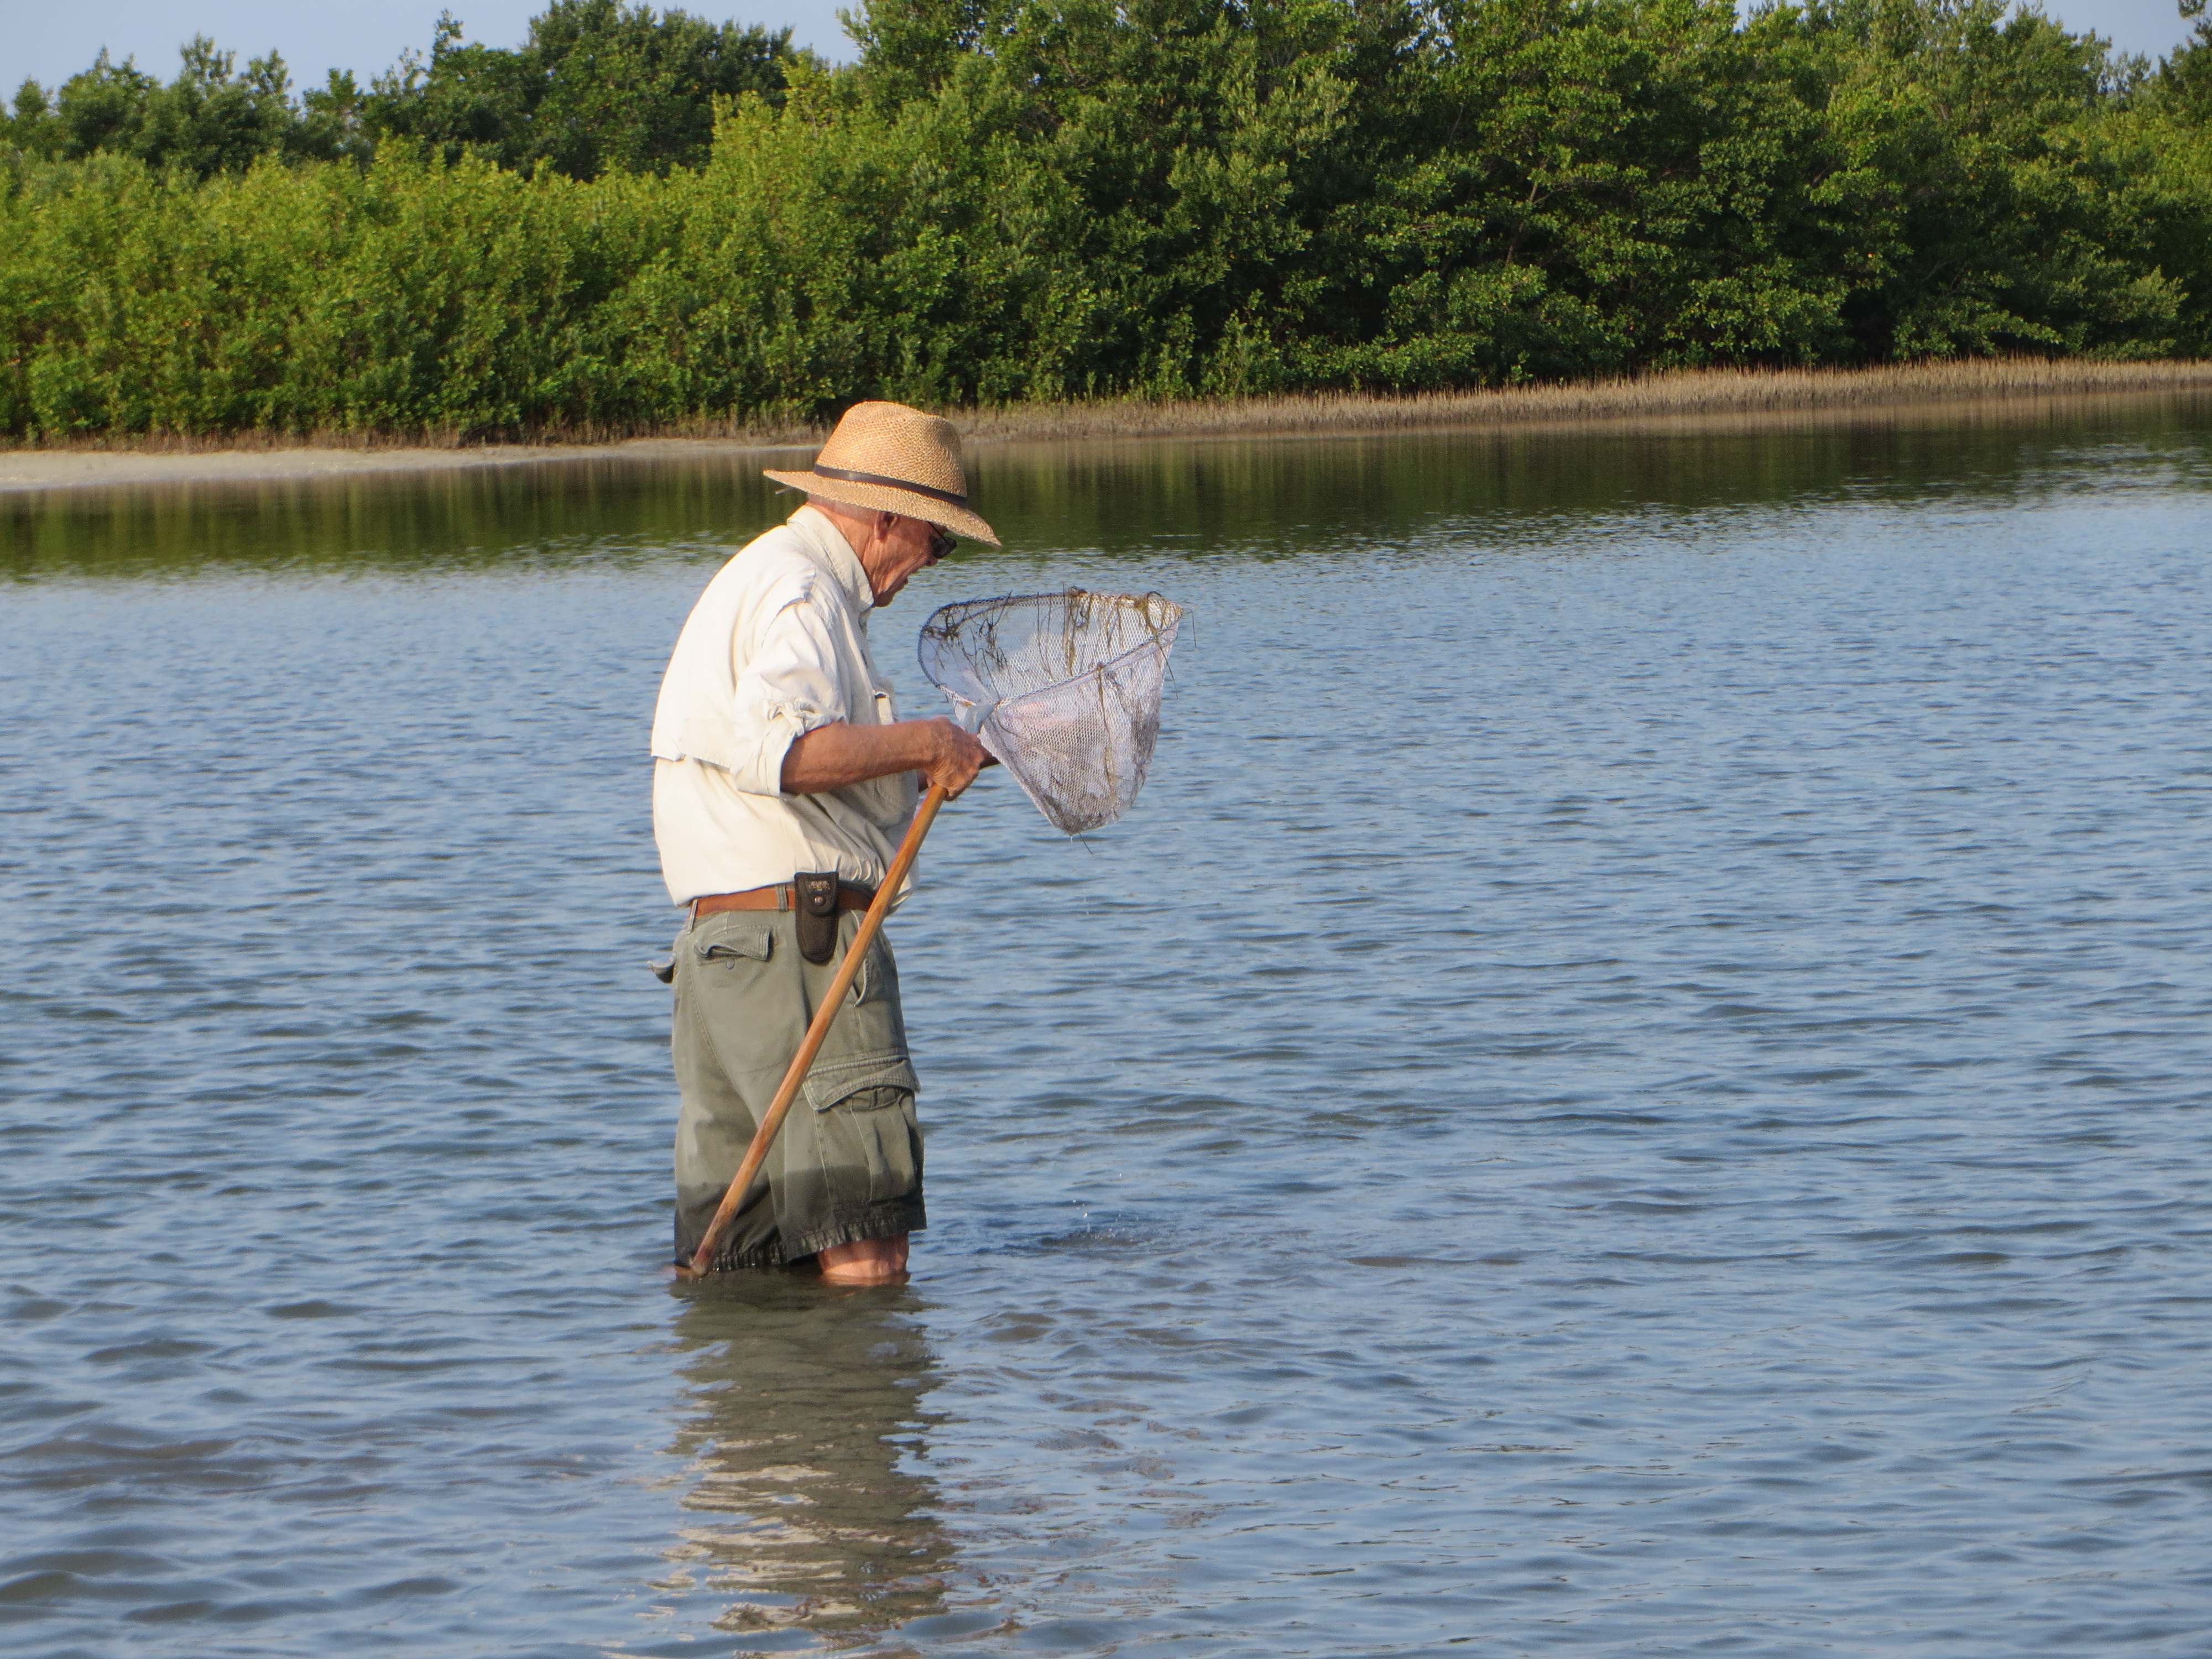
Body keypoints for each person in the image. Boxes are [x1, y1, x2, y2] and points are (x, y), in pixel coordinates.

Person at [649, 401, 994, 1285]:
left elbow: (772, 751)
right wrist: (928, 742)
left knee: (742, 1270)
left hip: (722, 958)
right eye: (937, 541)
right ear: (887, 519)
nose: (931, 563)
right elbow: (787, 754)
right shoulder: (804, 592)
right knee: (865, 1241)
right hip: (798, 948)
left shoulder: (760, 576)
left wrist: (933, 758)